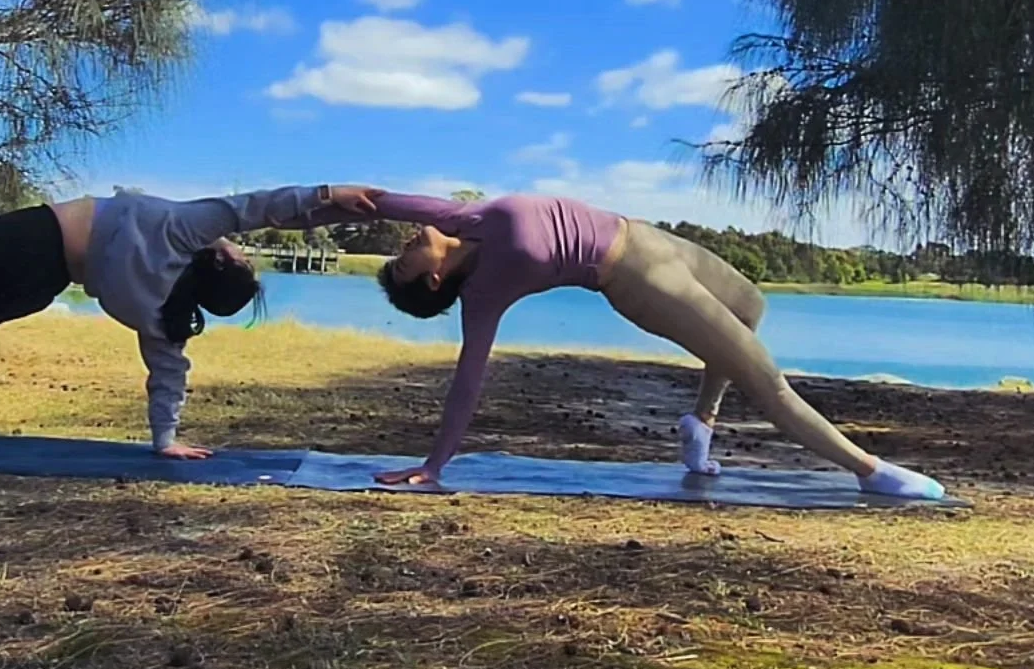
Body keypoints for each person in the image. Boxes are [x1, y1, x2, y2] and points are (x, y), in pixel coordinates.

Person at [368, 192, 944, 498]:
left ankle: (700, 422)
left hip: (648, 236)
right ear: (432, 281)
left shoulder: (461, 217)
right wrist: (435, 464)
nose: (405, 243)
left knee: (752, 304)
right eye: (403, 261)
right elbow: (470, 376)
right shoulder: (485, 290)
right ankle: (868, 469)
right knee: (764, 379)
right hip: (640, 280)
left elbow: (374, 198)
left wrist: (302, 201)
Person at [0, 184, 380, 459]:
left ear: (219, 256)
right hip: (35, 286)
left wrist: (327, 193)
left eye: (239, 253)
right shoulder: (159, 310)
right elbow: (169, 372)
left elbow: (258, 208)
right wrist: (164, 440)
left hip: (29, 241)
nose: (240, 246)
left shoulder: (184, 228)